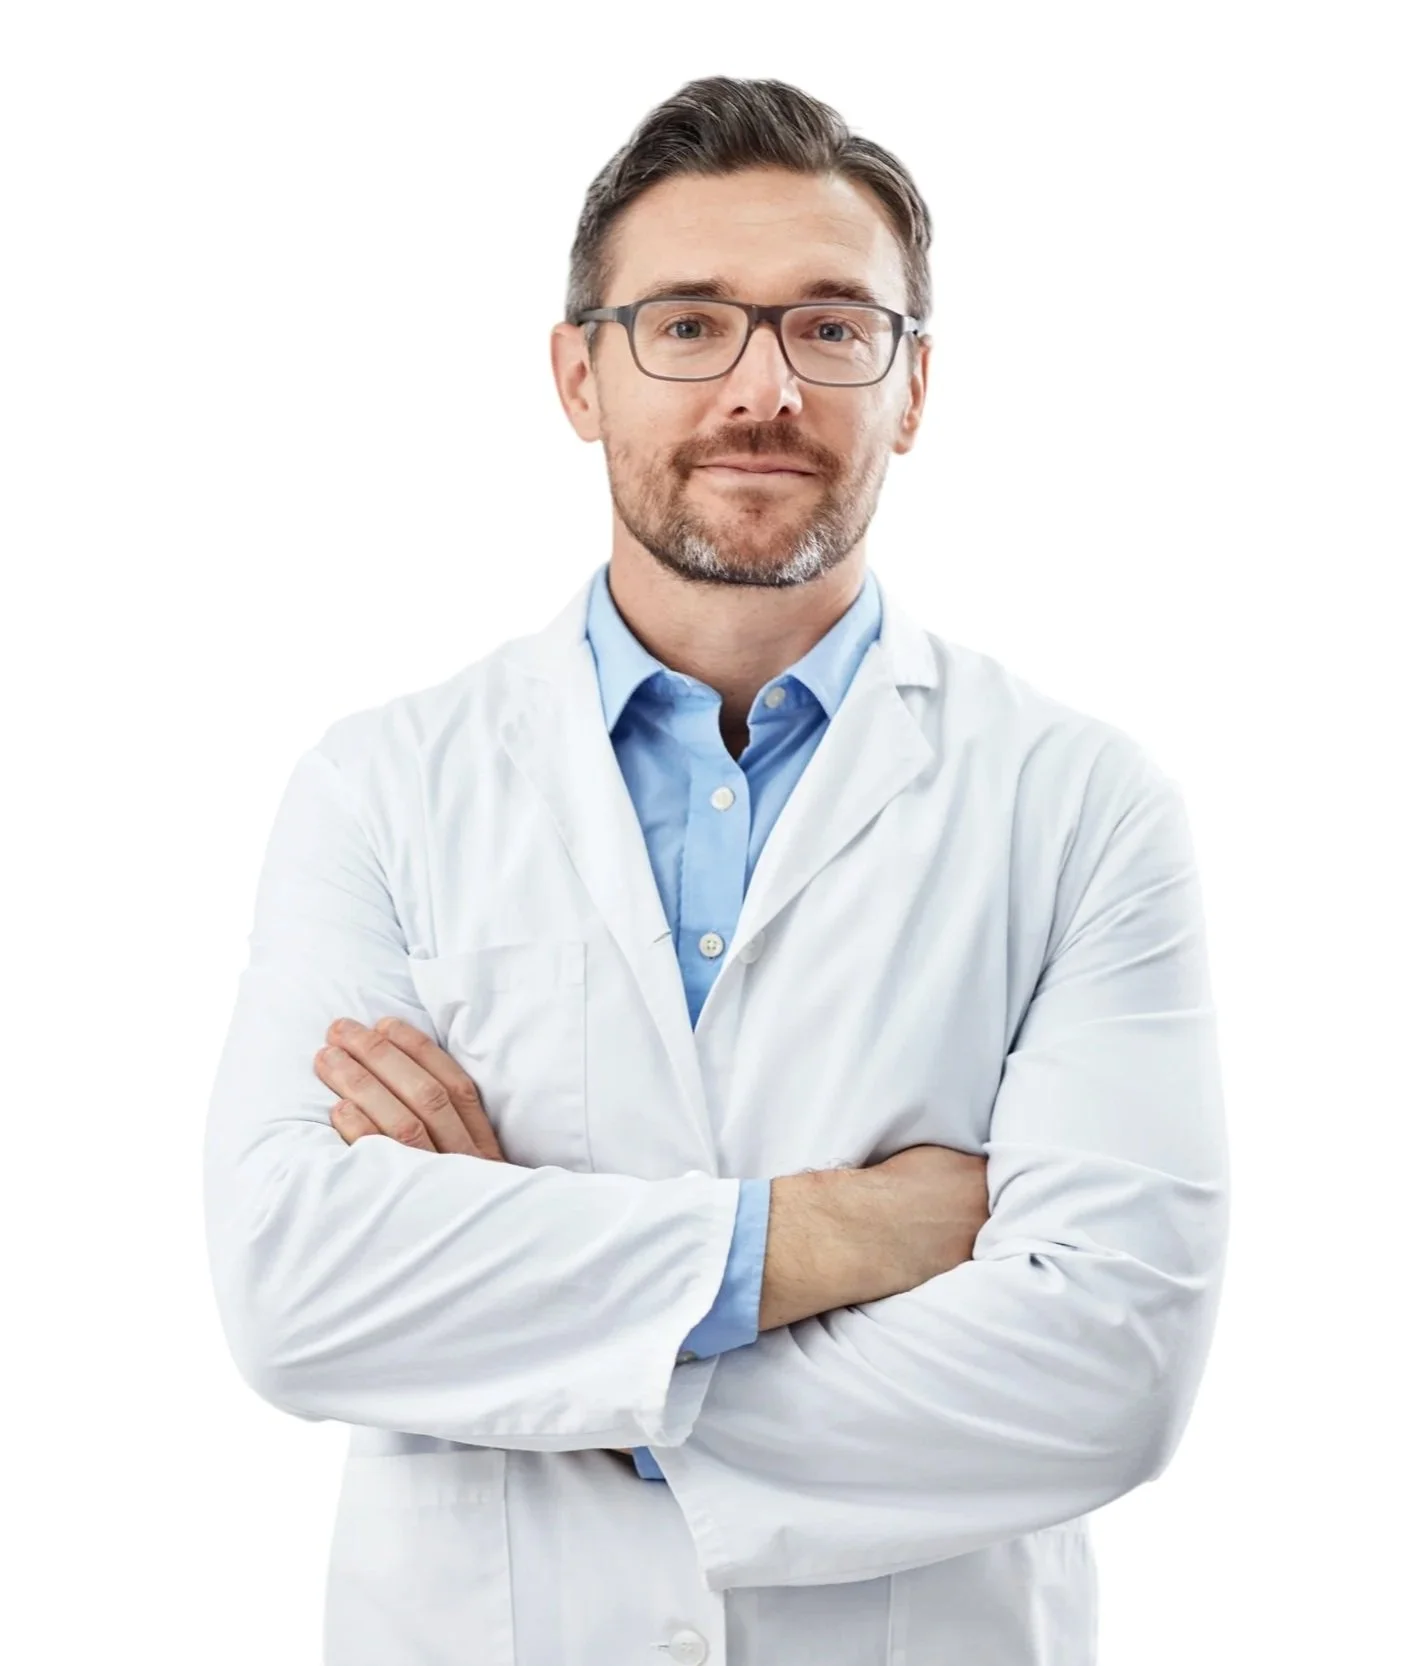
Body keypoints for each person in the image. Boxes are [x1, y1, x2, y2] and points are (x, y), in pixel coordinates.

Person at [203, 74, 1229, 1666]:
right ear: (579, 375)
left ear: (913, 384)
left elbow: (1110, 1369)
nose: (763, 388)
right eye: (687, 324)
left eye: (831, 326)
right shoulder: (381, 788)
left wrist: (538, 1334)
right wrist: (839, 1237)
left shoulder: (1079, 805)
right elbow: (296, 1286)